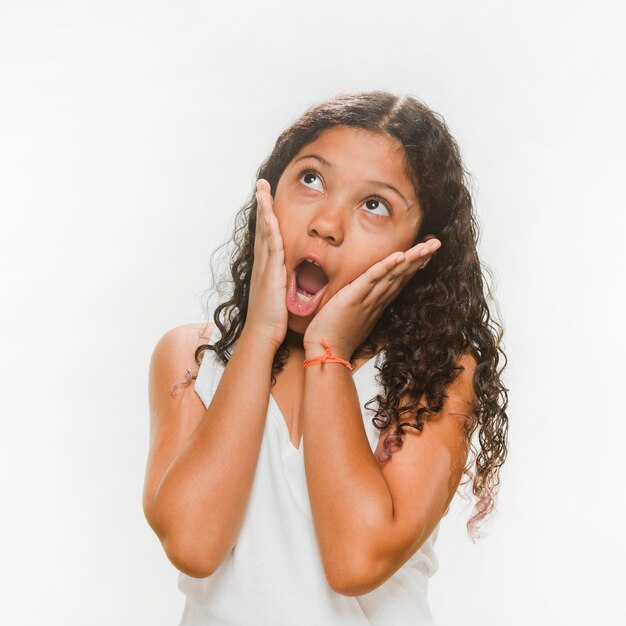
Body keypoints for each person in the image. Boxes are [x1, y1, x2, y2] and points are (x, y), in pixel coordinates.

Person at [143, 90, 509, 625]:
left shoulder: (434, 379)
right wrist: (262, 330)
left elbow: (355, 561)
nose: (327, 223)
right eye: (311, 179)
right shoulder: (193, 359)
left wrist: (329, 354)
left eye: (374, 205)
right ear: (268, 191)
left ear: (419, 252)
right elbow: (195, 546)